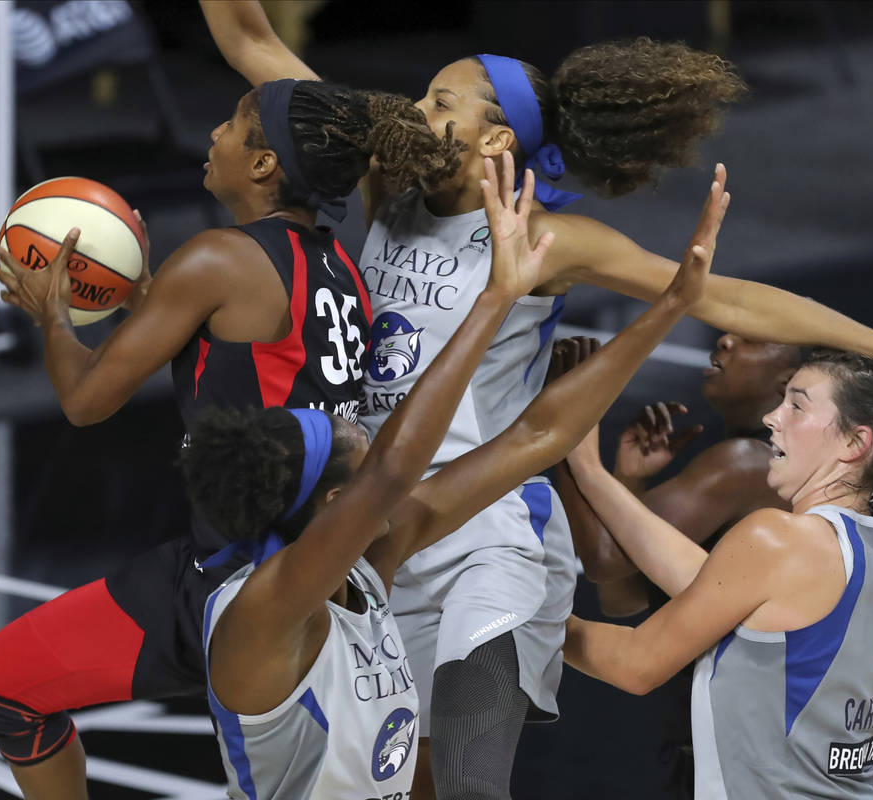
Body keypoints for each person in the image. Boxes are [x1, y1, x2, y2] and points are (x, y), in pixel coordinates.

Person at [201, 5, 873, 797]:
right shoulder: (387, 187)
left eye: (442, 102)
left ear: (497, 138)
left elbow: (729, 300)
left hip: (489, 529)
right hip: (381, 521)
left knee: (473, 784)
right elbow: (251, 41)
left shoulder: (548, 240)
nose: (415, 113)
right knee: (410, 783)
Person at [0, 79, 457, 798]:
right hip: (328, 570)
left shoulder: (217, 260)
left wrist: (55, 317)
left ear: (263, 165)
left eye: (233, 124)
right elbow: (261, 361)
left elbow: (85, 401)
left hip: (236, 574)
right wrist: (150, 298)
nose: (215, 135)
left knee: (0, 686)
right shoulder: (337, 265)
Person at [189, 150, 724, 799]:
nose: (362, 428)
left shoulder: (367, 555)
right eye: (348, 442)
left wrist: (670, 304)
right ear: (334, 502)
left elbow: (534, 436)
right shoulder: (264, 610)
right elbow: (397, 464)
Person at [562, 348, 873, 798]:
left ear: (855, 443)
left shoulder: (779, 539)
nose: (773, 418)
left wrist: (521, 615)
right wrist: (589, 471)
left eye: (797, 405)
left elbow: (636, 664)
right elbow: (710, 584)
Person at [551, 332, 801, 797]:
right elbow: (622, 598)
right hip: (726, 754)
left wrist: (572, 432)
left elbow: (604, 560)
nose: (724, 339)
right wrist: (628, 481)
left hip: (745, 763)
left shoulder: (746, 463)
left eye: (749, 339)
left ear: (788, 380)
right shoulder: (752, 467)